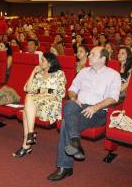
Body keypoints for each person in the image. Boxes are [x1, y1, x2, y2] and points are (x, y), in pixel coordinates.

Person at [47, 46, 121, 181]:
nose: (89, 56)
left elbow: (113, 98)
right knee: (69, 104)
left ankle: (65, 167)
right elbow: (72, 89)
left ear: (103, 58)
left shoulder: (114, 75)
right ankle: (75, 142)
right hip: (78, 107)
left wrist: (95, 107)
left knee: (65, 123)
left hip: (97, 112)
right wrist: (74, 98)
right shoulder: (83, 72)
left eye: (93, 54)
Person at [12, 52, 66, 157]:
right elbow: (27, 89)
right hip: (38, 100)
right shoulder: (39, 74)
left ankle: (26, 144)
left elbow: (61, 92)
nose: (40, 62)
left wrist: (44, 92)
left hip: (52, 102)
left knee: (25, 112)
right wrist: (33, 72)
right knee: (28, 96)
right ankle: (30, 135)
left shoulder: (59, 73)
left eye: (43, 60)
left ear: (50, 63)